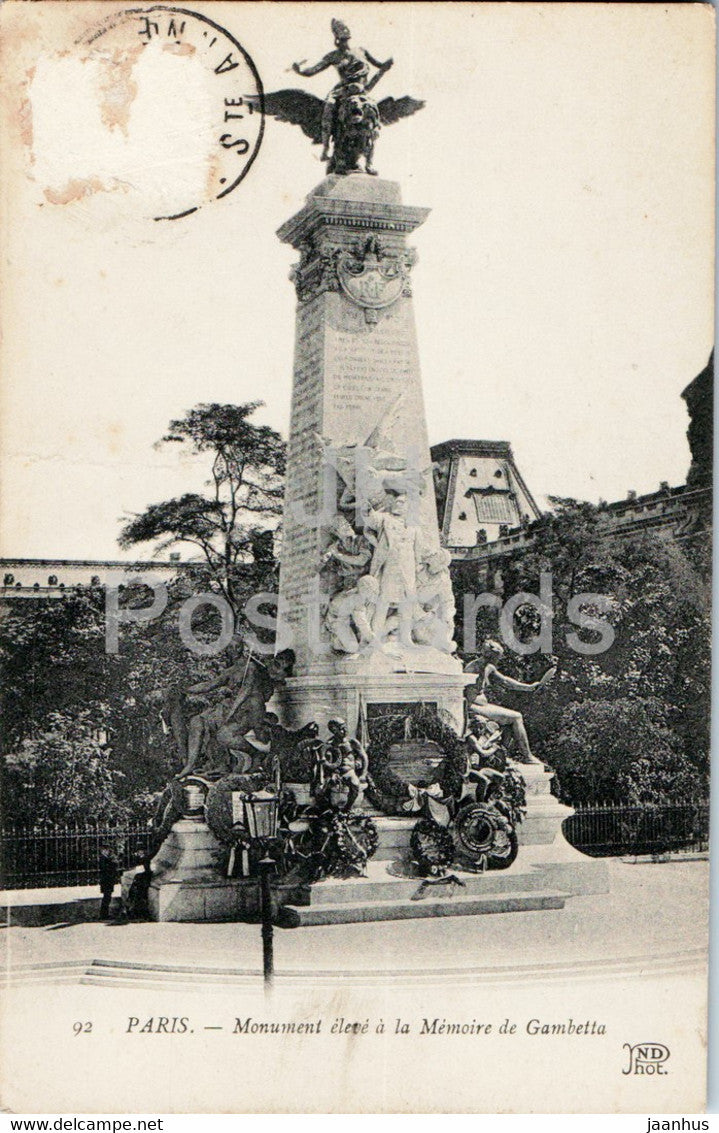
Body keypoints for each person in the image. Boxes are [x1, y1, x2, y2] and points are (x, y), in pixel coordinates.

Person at [292, 19, 393, 167]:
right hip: (342, 91)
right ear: (337, 40)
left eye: (346, 38)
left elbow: (379, 65)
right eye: (342, 39)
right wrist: (299, 71)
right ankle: (326, 147)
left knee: (373, 113)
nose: (344, 42)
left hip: (362, 90)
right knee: (329, 108)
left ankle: (370, 154)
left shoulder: (361, 51)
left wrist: (387, 64)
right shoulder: (332, 56)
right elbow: (312, 71)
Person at [464, 640, 556, 765]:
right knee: (517, 717)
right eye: (498, 657)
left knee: (510, 720)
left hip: (481, 705)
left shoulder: (488, 667)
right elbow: (464, 695)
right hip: (473, 706)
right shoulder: (472, 668)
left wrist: (528, 687)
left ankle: (502, 755)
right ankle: (527, 756)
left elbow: (506, 681)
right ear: (490, 656)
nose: (499, 660)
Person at [98, 844, 119, 921]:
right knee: (106, 898)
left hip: (108, 880)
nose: (108, 852)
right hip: (106, 881)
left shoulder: (106, 858)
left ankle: (105, 914)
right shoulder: (103, 858)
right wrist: (112, 864)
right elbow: (105, 868)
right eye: (106, 850)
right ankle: (104, 915)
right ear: (103, 850)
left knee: (107, 897)